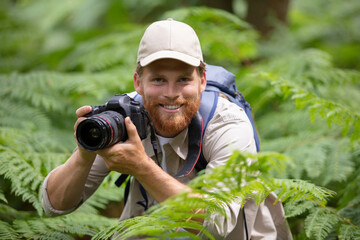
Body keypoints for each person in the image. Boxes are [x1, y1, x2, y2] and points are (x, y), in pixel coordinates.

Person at [42, 18, 292, 239]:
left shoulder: (229, 126)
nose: (171, 94)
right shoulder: (123, 118)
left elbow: (216, 224)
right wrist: (84, 154)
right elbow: (53, 206)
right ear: (138, 82)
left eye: (183, 79)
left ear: (202, 81)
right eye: (159, 79)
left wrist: (141, 166)